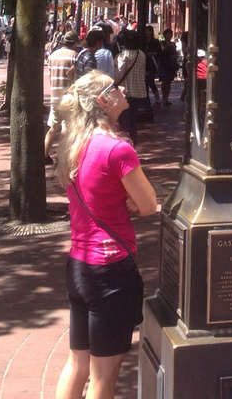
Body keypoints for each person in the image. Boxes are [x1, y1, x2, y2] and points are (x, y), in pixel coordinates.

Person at [54, 73, 157, 399]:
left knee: (78, 365)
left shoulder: (74, 144)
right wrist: (132, 202)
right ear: (103, 100)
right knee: (103, 377)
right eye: (115, 87)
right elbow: (149, 205)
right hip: (111, 270)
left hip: (79, 267)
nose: (123, 89)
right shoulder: (118, 150)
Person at [44, 30, 79, 164]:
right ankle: (61, 157)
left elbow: (49, 75)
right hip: (68, 95)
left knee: (53, 127)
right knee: (66, 127)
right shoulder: (75, 56)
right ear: (75, 42)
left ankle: (44, 154)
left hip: (55, 95)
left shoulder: (52, 56)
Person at [115, 31, 147, 146]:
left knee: (124, 121)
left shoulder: (124, 55)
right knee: (133, 121)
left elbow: (119, 73)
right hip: (137, 91)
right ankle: (133, 144)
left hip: (125, 92)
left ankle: (125, 145)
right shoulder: (141, 54)